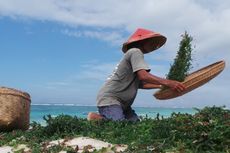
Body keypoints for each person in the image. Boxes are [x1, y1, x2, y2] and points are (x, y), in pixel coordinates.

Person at [96, 28, 186, 121]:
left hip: (124, 103)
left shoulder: (134, 54)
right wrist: (168, 82)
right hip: (110, 99)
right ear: (142, 41)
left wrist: (161, 86)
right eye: (151, 42)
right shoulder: (135, 51)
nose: (154, 46)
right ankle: (96, 118)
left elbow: (142, 84)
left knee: (135, 126)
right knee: (120, 125)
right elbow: (144, 76)